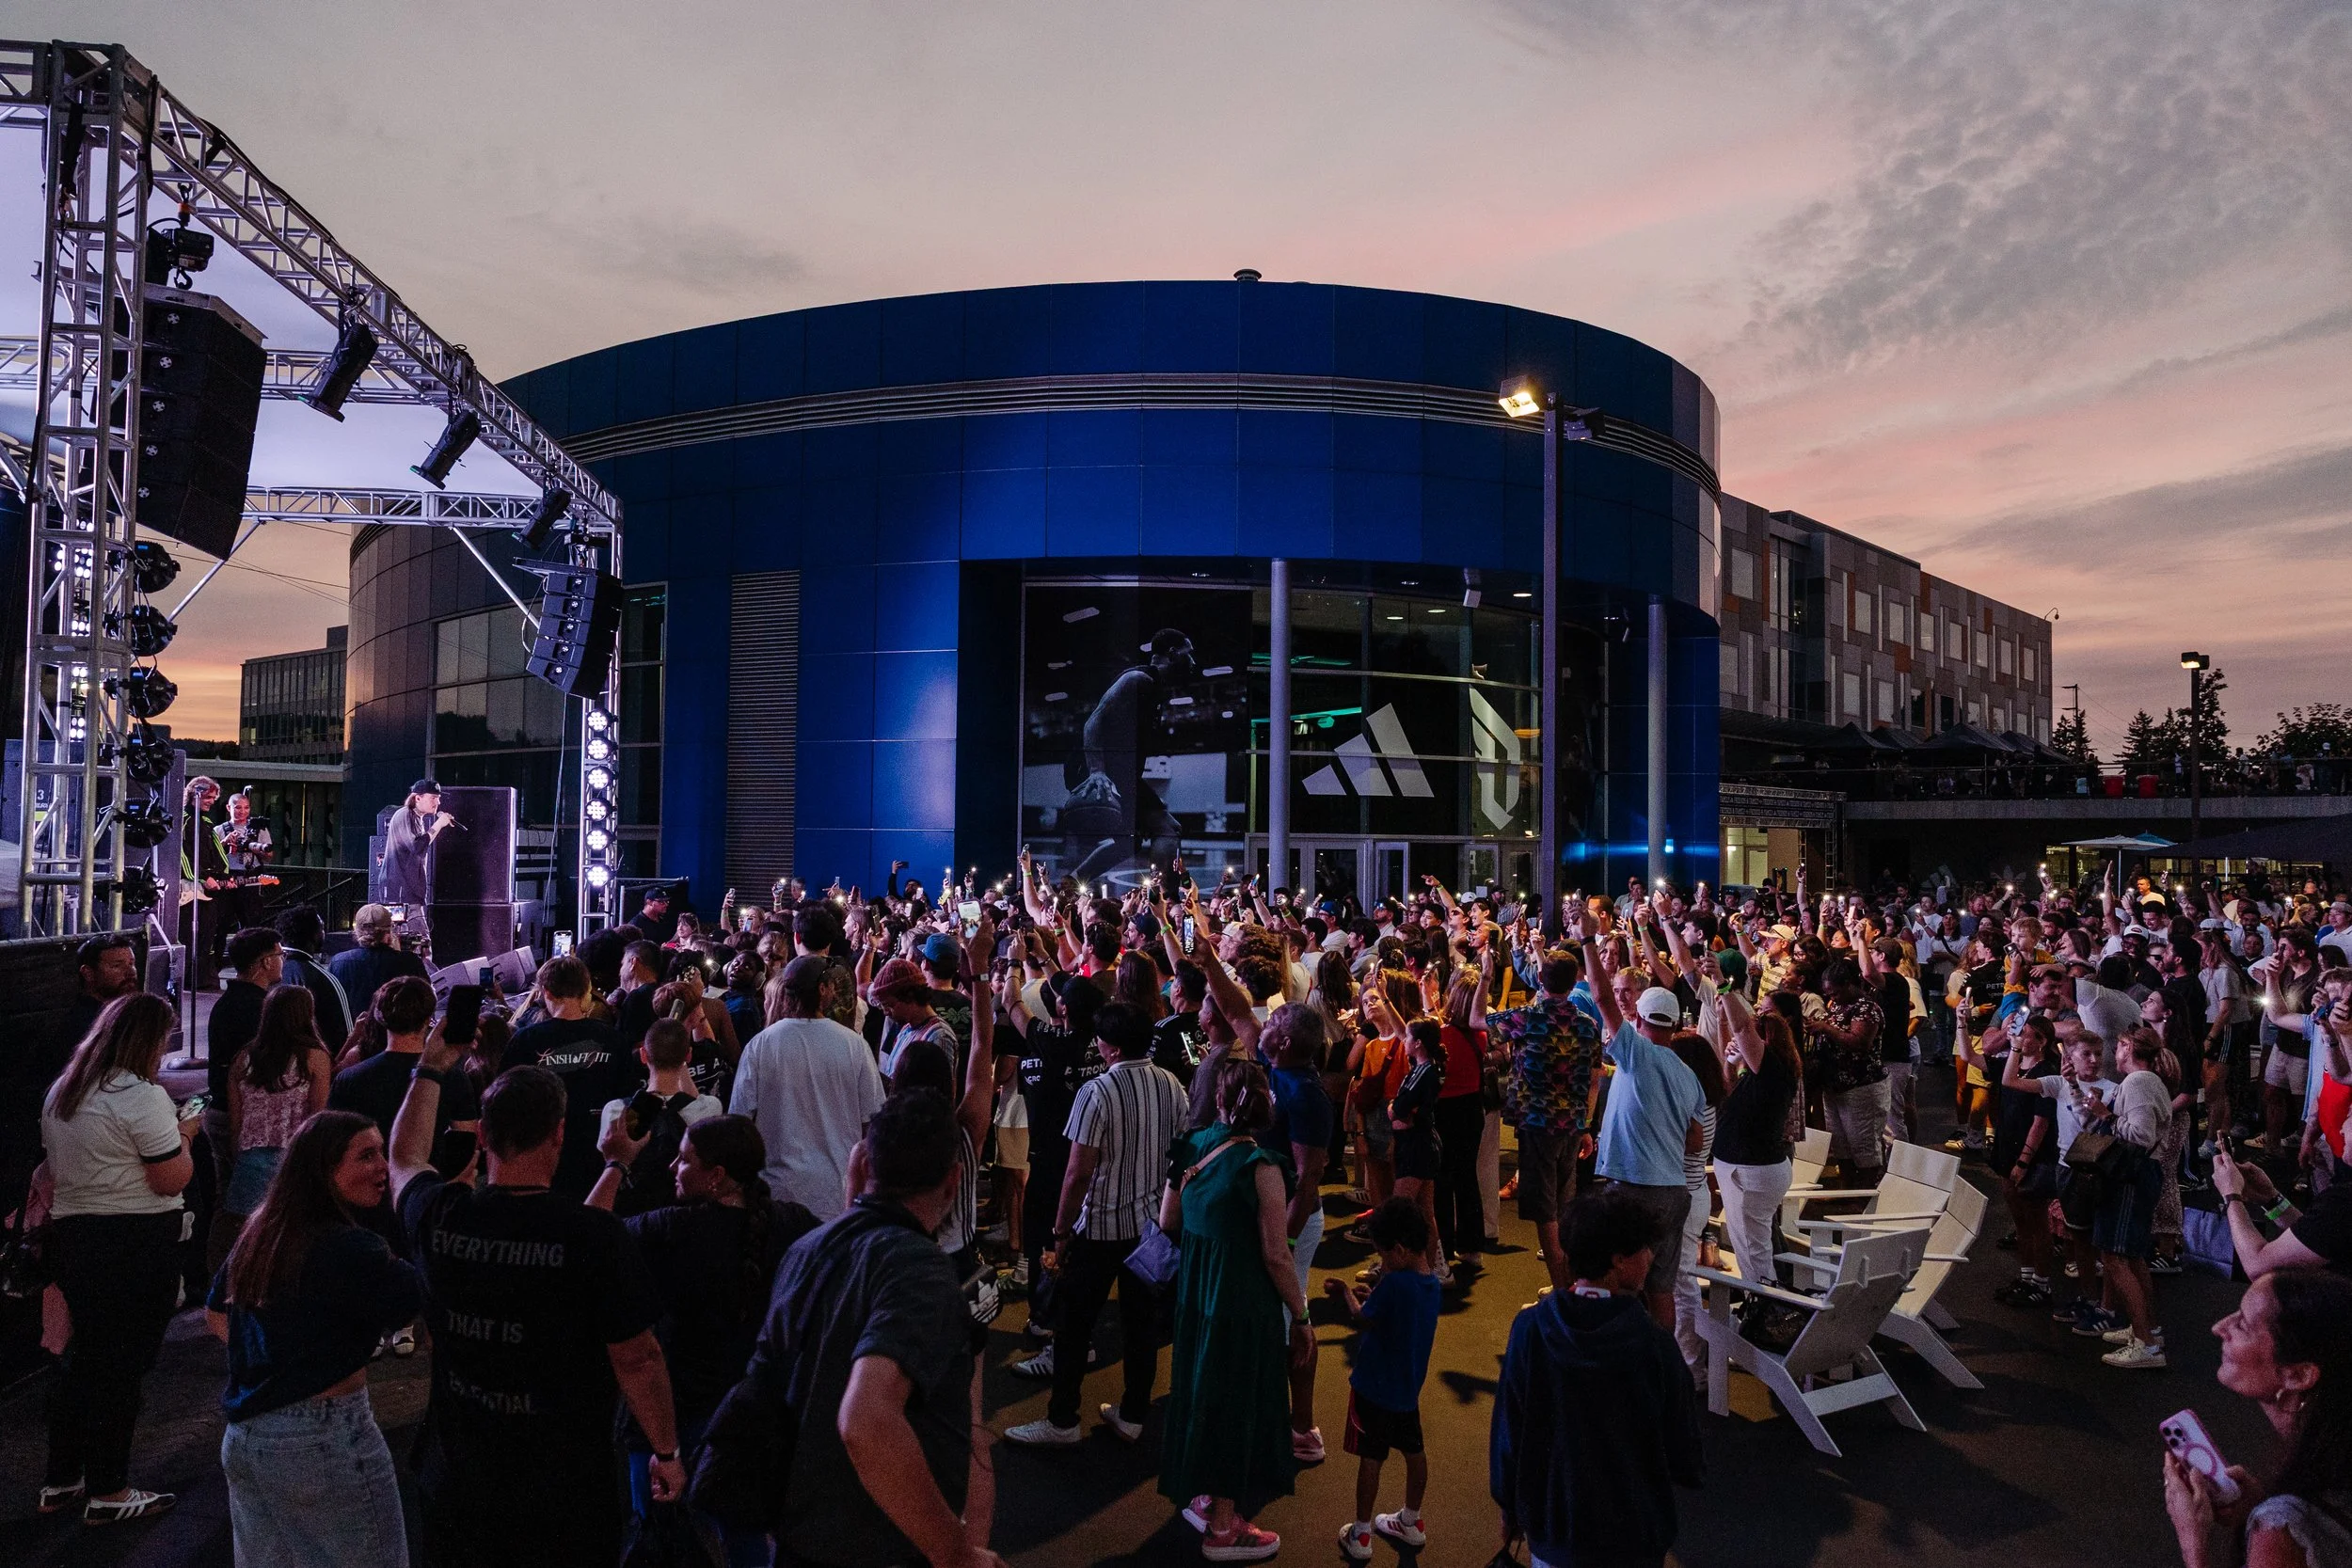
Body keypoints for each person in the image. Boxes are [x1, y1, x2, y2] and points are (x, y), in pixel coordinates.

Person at [389, 1037, 686, 1567]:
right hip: (562, 1487)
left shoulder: (442, 1217)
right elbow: (638, 1358)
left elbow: (405, 1157)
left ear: (482, 1136)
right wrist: (666, 1452)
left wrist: (430, 1070)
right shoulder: (595, 1239)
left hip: (458, 1478)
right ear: (560, 1134)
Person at [744, 1087, 1002, 1568]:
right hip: (877, 1541)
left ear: (864, 1164)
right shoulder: (921, 1270)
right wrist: (957, 1554)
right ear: (953, 1181)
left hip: (799, 1528)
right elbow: (866, 1419)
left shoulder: (808, 1249)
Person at [588, 1114, 818, 1568]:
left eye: (684, 1160)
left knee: (657, 1537)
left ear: (715, 1177)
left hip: (671, 1419)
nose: (674, 1167)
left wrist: (616, 1165)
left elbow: (588, 1233)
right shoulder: (792, 1223)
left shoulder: (670, 1230)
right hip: (751, 1419)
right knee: (746, 1540)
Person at [205, 1110, 422, 1568]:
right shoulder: (352, 1248)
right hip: (323, 1436)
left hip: (246, 1438)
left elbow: (215, 1313)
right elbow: (423, 1299)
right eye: (366, 1155)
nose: (383, 1167)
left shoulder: (263, 1232)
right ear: (323, 1169)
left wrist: (275, 1359)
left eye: (383, 1153)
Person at [37, 992, 198, 1524]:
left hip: (76, 1236)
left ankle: (62, 1479)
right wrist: (186, 1138)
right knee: (122, 1367)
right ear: (148, 1040)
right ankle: (109, 1490)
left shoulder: (65, 1091)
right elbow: (168, 1177)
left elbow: (54, 1172)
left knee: (84, 1362)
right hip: (135, 1240)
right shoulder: (141, 1096)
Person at [1490, 1189, 1705, 1568]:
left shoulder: (1531, 1330)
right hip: (1633, 1532)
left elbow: (1510, 1428)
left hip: (1555, 1526)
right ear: (1619, 1261)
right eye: (1644, 1249)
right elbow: (1681, 1439)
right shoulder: (1653, 1344)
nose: (1651, 1257)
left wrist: (1510, 1502)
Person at [1005, 998, 1186, 1448]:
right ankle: (1132, 1413)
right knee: (1139, 1327)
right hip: (1149, 1227)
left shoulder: (1098, 1092)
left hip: (1101, 1226)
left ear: (1109, 1047)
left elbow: (1078, 1171)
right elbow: (1180, 1154)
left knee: (1073, 1327)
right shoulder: (1172, 1085)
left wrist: (1061, 1233)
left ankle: (1062, 1419)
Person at [1159, 1059, 1311, 1563]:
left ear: (1220, 1099)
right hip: (1241, 1301)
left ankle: (1202, 1499)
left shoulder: (1193, 1146)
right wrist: (1302, 1315)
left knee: (1202, 1390)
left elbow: (1168, 1218)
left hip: (1197, 1296)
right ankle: (1224, 1526)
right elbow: (1275, 1252)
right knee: (1236, 1402)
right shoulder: (1263, 1167)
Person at [2165, 1270, 2352, 1568]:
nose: (2218, 1327)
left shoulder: (2283, 1527)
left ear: (2298, 1374)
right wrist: (2260, 1501)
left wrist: (2193, 1539)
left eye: (2242, 1325)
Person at [1587, 961, 1708, 1330]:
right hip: (1674, 1192)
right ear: (1674, 1026)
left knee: (1617, 1282)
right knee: (1660, 1290)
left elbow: (1603, 999)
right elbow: (1695, 1141)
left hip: (1634, 1189)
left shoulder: (1636, 1053)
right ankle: (1661, 1366)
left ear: (1638, 1019)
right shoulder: (1690, 1076)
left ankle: (1619, 1363)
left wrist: (1590, 943)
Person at [1327, 1197, 1441, 1562]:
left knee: (1370, 1457)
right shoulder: (1431, 1284)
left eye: (1383, 1255)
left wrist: (1347, 1294)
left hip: (1374, 1387)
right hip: (1407, 1390)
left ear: (1401, 1249)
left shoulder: (1395, 1285)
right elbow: (1394, 1316)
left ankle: (1361, 1533)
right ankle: (1411, 1519)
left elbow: (1363, 1319)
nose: (1382, 1262)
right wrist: (1377, 1297)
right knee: (1414, 1451)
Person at [1489, 946, 1608, 1296]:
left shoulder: (1529, 1017)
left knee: (1545, 1209)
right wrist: (1586, 1124)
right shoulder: (1588, 1024)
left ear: (1540, 979)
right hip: (1572, 1123)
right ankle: (1572, 1279)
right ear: (1575, 983)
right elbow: (1594, 1078)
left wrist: (1484, 977)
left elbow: (1480, 1021)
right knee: (1564, 1201)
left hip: (1538, 1123)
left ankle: (1565, 1288)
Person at [731, 953, 886, 1218]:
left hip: (777, 1190)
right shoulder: (852, 1044)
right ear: (823, 990)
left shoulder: (761, 1044)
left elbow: (740, 1118)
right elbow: (873, 1119)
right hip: (836, 1191)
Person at [212, 984, 334, 1275]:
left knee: (247, 1243)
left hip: (250, 1160)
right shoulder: (314, 1057)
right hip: (294, 1159)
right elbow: (318, 1116)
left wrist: (238, 1154)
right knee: (290, 1243)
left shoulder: (244, 1057)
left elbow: (236, 1118)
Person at [499, 953, 642, 1197]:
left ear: (546, 992)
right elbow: (627, 1098)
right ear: (585, 990)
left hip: (541, 1154)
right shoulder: (613, 1039)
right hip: (598, 1154)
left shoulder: (526, 1040)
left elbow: (504, 1101)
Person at [328, 975, 483, 1177]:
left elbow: (332, 1145)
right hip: (426, 1185)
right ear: (429, 1019)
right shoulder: (453, 1077)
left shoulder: (348, 1079)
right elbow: (466, 1143)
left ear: (379, 1016)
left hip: (366, 1183)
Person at [1711, 994, 1802, 1289]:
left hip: (1751, 1171)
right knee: (1751, 1246)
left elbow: (1742, 1028)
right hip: (1750, 1168)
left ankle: (1767, 1310)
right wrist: (1729, 1059)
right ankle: (1763, 1304)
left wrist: (1725, 988)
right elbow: (1728, 1086)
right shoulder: (1761, 1074)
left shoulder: (1773, 1068)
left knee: (1754, 1251)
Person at [595, 1018, 724, 1217]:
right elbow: (693, 1097)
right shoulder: (709, 1109)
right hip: (685, 1215)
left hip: (632, 1215)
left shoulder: (615, 1111)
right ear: (688, 1056)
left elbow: (608, 1161)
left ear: (643, 1055)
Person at [1664, 1030, 1726, 1373]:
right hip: (1695, 1193)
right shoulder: (1708, 1099)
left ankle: (1692, 1365)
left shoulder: (1694, 1105)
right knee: (1679, 1281)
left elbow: (1687, 1147)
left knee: (1681, 1284)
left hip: (1686, 1197)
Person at [1806, 957, 1889, 1186]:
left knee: (1862, 1143)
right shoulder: (1839, 1006)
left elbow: (1859, 1042)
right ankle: (1847, 1188)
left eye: (1835, 992)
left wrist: (1825, 1028)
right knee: (1841, 1143)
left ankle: (1864, 1194)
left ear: (1851, 984)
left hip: (1861, 1085)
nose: (1831, 998)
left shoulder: (1867, 1009)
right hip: (1835, 1085)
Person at [1387, 1019, 1449, 1283]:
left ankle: (1393, 1270)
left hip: (1417, 1145)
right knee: (1426, 1212)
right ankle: (1429, 1271)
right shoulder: (1422, 1068)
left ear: (1419, 1043)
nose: (1404, 1041)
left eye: (1408, 1037)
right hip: (1419, 1143)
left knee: (1397, 1211)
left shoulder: (1426, 1072)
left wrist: (1395, 1108)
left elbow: (1398, 1109)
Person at [274, 908, 352, 1055]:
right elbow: (343, 1034)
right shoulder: (323, 979)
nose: (323, 933)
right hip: (312, 1064)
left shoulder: (268, 972)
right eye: (321, 927)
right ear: (313, 934)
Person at [326, 905, 428, 1012]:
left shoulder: (338, 961)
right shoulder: (410, 961)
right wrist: (400, 955)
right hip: (396, 1027)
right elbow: (426, 998)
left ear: (357, 930)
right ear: (389, 931)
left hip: (353, 1027)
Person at [380, 778, 455, 911]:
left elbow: (422, 846)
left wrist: (438, 827)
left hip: (409, 892)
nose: (438, 802)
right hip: (400, 892)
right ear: (418, 798)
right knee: (415, 932)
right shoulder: (404, 815)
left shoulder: (416, 818)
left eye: (438, 798)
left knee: (417, 932)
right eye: (433, 798)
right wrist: (438, 824)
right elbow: (417, 847)